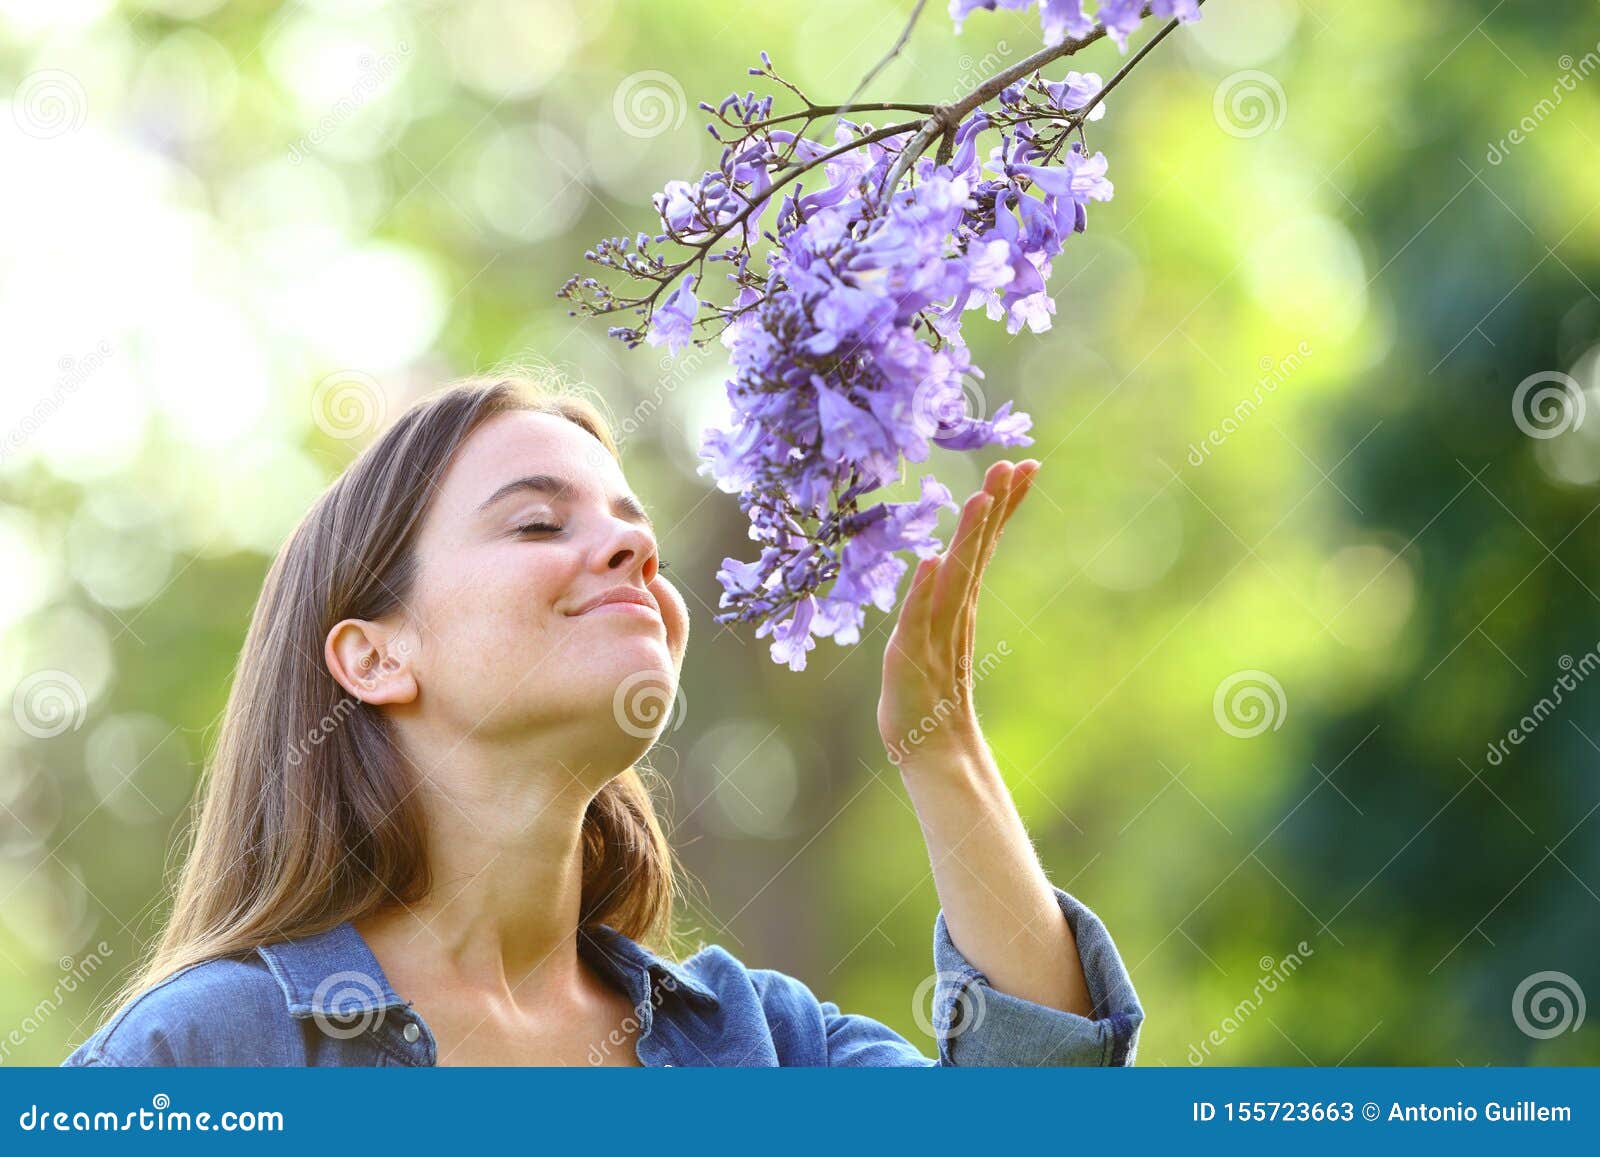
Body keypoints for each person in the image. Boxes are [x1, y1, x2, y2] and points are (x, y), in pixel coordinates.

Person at [61, 375, 1142, 1067]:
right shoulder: (202, 1054)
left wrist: (940, 746)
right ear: (376, 654)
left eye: (637, 532)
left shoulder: (760, 1046)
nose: (633, 553)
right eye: (538, 520)